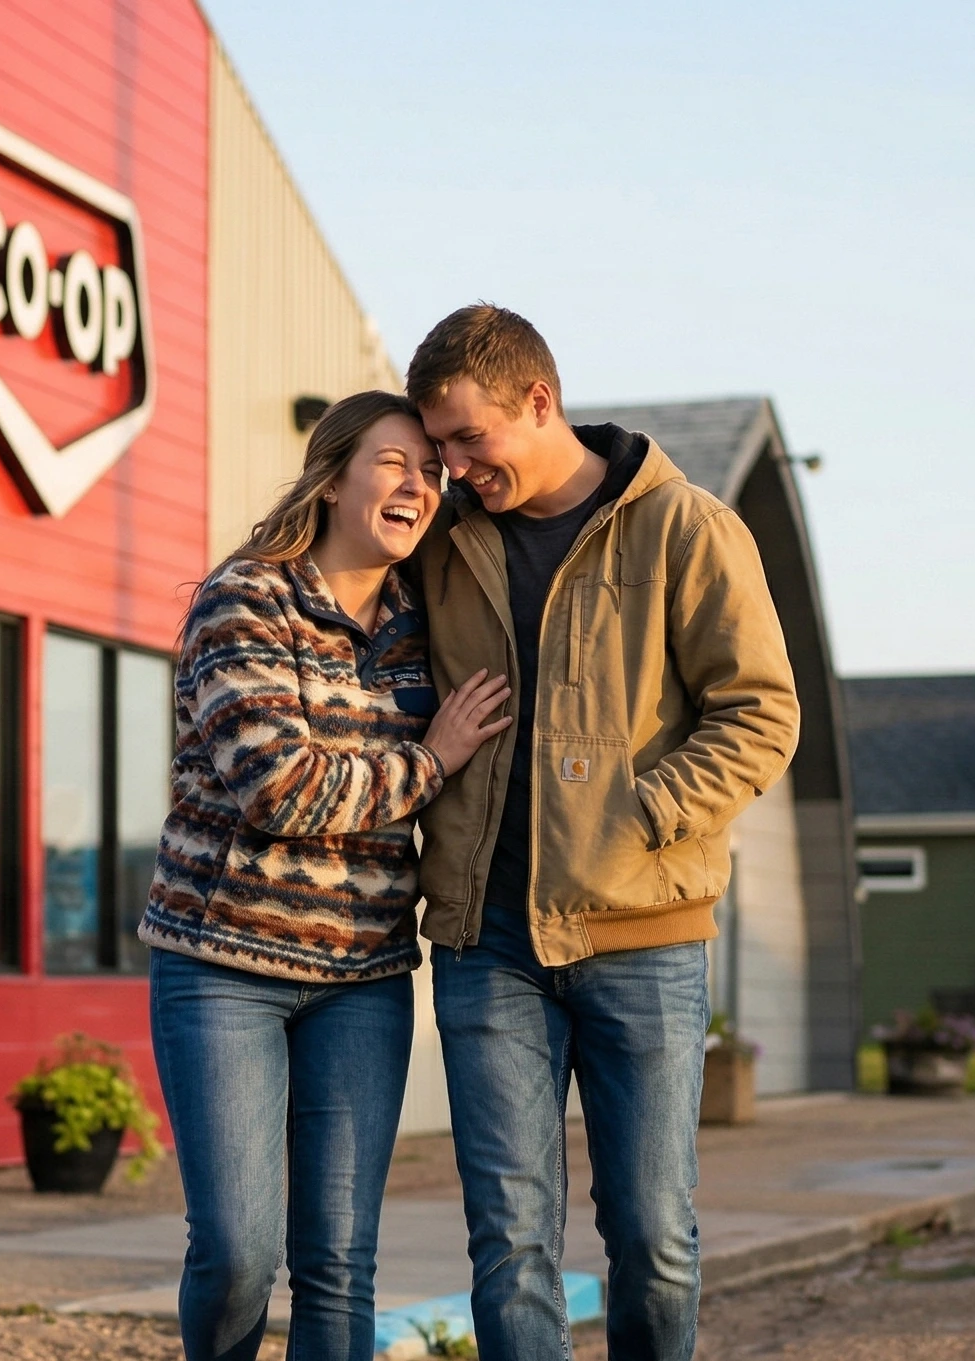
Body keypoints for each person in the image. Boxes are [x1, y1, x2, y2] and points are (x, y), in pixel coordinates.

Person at [406, 305, 801, 1359]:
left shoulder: (689, 528)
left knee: (653, 1236)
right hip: (484, 939)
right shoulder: (445, 543)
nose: (449, 465)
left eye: (465, 438)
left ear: (539, 402)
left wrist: (642, 813)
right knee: (509, 1242)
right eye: (435, 443)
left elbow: (761, 711)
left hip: (645, 935)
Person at [141, 389, 513, 1361]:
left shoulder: (418, 628)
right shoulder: (243, 599)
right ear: (333, 473)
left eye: (431, 470)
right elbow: (282, 787)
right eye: (394, 461)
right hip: (225, 969)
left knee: (340, 1259)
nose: (418, 482)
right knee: (236, 1247)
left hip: (363, 978)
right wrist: (429, 761)